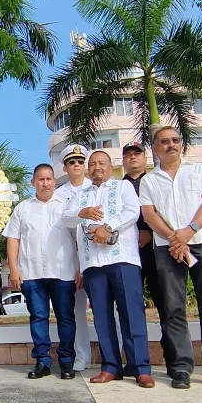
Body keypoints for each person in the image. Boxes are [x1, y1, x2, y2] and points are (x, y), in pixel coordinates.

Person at [139, 126, 202, 391]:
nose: (171, 145)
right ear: (155, 148)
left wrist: (188, 232)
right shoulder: (150, 180)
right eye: (165, 141)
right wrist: (175, 238)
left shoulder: (198, 170)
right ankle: (180, 367)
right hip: (167, 248)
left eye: (175, 140)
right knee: (173, 309)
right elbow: (150, 216)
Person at [62, 150, 155, 388]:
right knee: (102, 317)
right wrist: (80, 213)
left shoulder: (123, 187)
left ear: (109, 165)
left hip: (122, 259)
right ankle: (110, 366)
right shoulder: (80, 195)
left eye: (101, 163)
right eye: (91, 164)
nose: (96, 167)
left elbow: (133, 212)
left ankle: (140, 368)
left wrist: (108, 227)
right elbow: (65, 219)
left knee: (131, 314)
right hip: (93, 264)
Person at [4, 164, 78, 380]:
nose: (45, 183)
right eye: (40, 179)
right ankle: (42, 361)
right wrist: (14, 268)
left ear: (55, 181)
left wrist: (80, 267)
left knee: (66, 317)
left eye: (49, 179)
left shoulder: (67, 206)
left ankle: (66, 362)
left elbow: (78, 238)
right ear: (33, 182)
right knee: (38, 317)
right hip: (32, 272)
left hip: (63, 271)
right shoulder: (23, 208)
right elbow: (13, 238)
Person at [121, 141, 171, 372]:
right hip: (128, 254)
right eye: (128, 155)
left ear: (145, 158)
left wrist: (150, 232)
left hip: (156, 251)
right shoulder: (117, 187)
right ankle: (134, 360)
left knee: (165, 303)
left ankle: (173, 357)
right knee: (130, 307)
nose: (133, 158)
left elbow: (166, 211)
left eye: (137, 154)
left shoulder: (155, 181)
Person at [55, 144, 93, 372]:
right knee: (76, 312)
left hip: (99, 259)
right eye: (72, 162)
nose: (76, 165)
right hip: (72, 262)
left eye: (80, 161)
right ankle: (82, 355)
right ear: (65, 167)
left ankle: (115, 355)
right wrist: (77, 265)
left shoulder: (95, 188)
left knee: (105, 309)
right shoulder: (59, 196)